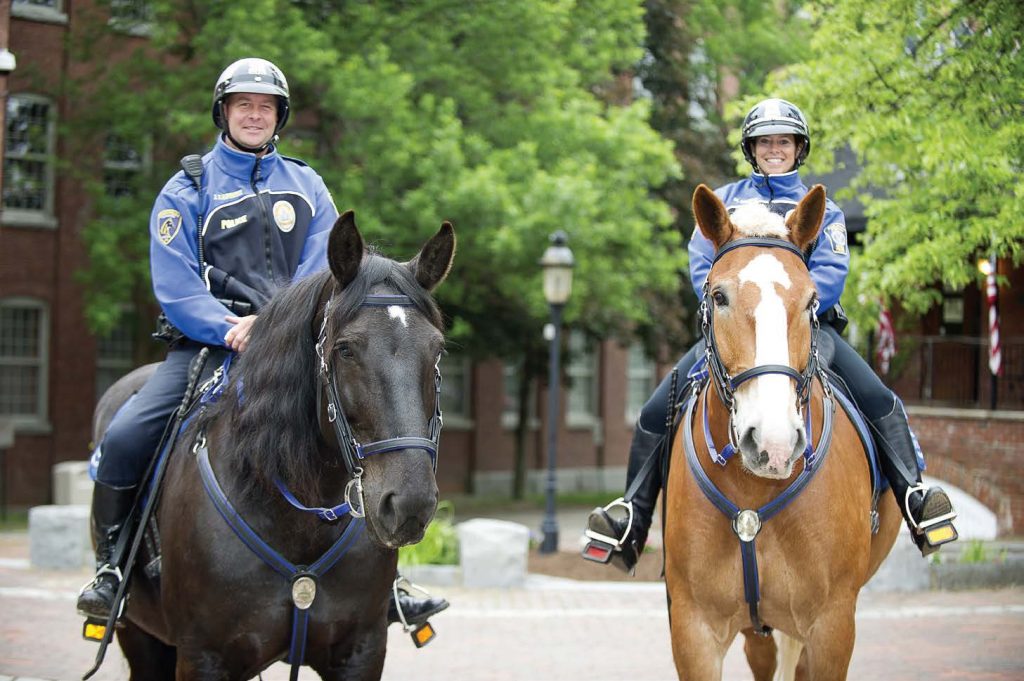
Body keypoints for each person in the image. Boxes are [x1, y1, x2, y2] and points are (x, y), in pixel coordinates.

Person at [77, 57, 448, 631]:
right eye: (243, 105)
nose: (254, 115)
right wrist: (229, 326)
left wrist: (273, 323)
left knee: (355, 430)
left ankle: (386, 583)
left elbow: (319, 270)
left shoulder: (307, 185)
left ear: (279, 117)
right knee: (127, 436)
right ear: (223, 112)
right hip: (207, 346)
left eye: (265, 107)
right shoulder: (187, 188)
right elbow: (174, 285)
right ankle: (113, 570)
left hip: (292, 349)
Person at [583, 98, 958, 574]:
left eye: (784, 141)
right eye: (766, 142)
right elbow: (703, 265)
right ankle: (631, 520)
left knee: (879, 397)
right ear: (752, 149)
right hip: (736, 333)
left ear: (798, 149)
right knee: (657, 409)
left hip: (804, 331)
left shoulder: (826, 212)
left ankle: (915, 499)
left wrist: (784, 309)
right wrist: (738, 308)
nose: (774, 149)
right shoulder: (722, 201)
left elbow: (830, 274)